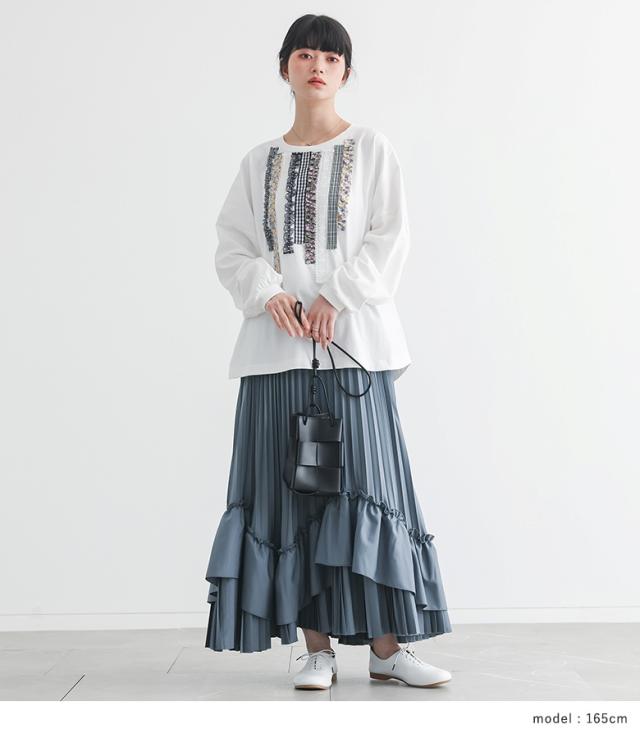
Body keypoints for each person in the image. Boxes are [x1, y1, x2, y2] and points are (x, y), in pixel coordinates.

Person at [204, 13, 453, 690]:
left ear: (345, 72)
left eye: (332, 58)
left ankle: (387, 649)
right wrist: (268, 293)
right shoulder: (259, 162)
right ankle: (316, 651)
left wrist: (336, 296)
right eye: (306, 55)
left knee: (369, 490)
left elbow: (390, 236)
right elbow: (233, 247)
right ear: (285, 66)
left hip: (354, 353)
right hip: (276, 356)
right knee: (290, 499)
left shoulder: (371, 148)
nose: (318, 66)